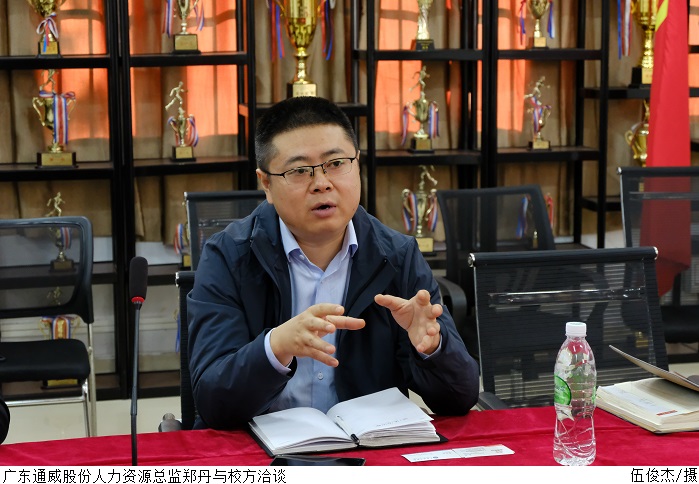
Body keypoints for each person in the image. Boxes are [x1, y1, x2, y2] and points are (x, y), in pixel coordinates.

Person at [187, 96, 479, 430]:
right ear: (266, 183)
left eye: (337, 163)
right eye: (299, 171)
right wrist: (275, 347)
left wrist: (433, 350)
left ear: (357, 164)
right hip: (259, 449)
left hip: (368, 449)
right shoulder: (228, 256)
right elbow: (212, 401)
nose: (322, 183)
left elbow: (460, 398)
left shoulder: (397, 256)